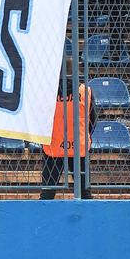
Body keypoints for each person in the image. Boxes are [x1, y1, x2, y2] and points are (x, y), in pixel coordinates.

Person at [40, 70, 95, 199]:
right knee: (84, 193)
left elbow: (40, 118)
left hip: (53, 146)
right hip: (78, 146)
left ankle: (42, 218)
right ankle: (88, 218)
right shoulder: (85, 91)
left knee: (47, 192)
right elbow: (92, 119)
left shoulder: (47, 92)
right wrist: (85, 135)